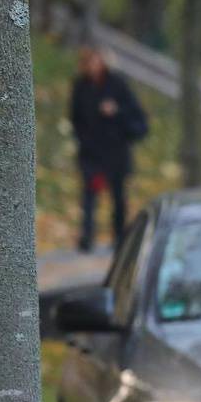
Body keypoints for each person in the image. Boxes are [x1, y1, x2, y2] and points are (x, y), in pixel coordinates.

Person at [67, 47, 147, 253]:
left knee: (118, 196)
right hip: (92, 153)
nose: (92, 66)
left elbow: (135, 114)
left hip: (116, 152)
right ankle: (87, 237)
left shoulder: (117, 84)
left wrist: (115, 111)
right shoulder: (81, 86)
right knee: (89, 195)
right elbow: (75, 117)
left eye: (96, 61)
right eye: (88, 61)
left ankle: (119, 237)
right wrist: (83, 139)